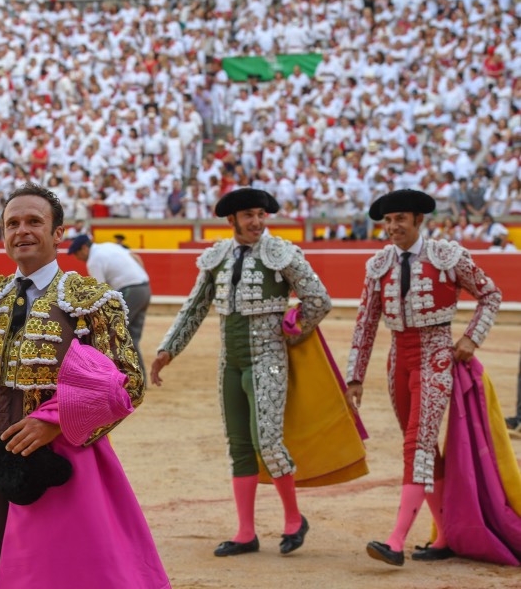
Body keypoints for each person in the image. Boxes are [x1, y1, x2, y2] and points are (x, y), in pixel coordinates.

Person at [0, 180, 163, 588]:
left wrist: (56, 420)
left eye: (33, 221)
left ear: (58, 233)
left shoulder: (93, 298)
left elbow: (129, 383)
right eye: (12, 223)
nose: (22, 230)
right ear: (3, 234)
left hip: (61, 465)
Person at [150, 187, 334, 557]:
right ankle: (246, 532)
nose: (257, 222)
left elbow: (318, 299)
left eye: (261, 215)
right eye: (249, 215)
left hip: (268, 360)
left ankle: (294, 520)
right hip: (230, 364)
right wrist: (168, 349)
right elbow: (194, 307)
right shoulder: (216, 257)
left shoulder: (280, 252)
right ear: (231, 219)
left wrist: (294, 330)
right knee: (239, 446)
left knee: (267, 442)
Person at [344, 189, 502, 566]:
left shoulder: (448, 257)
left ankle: (396, 541)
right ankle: (445, 536)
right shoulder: (378, 265)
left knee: (416, 446)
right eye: (388, 220)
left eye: (400, 219)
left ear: (419, 220)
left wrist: (470, 338)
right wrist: (354, 378)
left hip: (436, 357)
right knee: (425, 449)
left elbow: (490, 295)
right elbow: (365, 324)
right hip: (398, 359)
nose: (393, 227)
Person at [68, 234, 151, 369]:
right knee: (131, 337)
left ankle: (116, 375)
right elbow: (137, 257)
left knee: (113, 333)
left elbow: (100, 292)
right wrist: (141, 278)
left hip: (130, 291)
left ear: (84, 248)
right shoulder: (108, 246)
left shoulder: (94, 260)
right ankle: (138, 379)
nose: (77, 258)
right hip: (145, 288)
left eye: (77, 254)